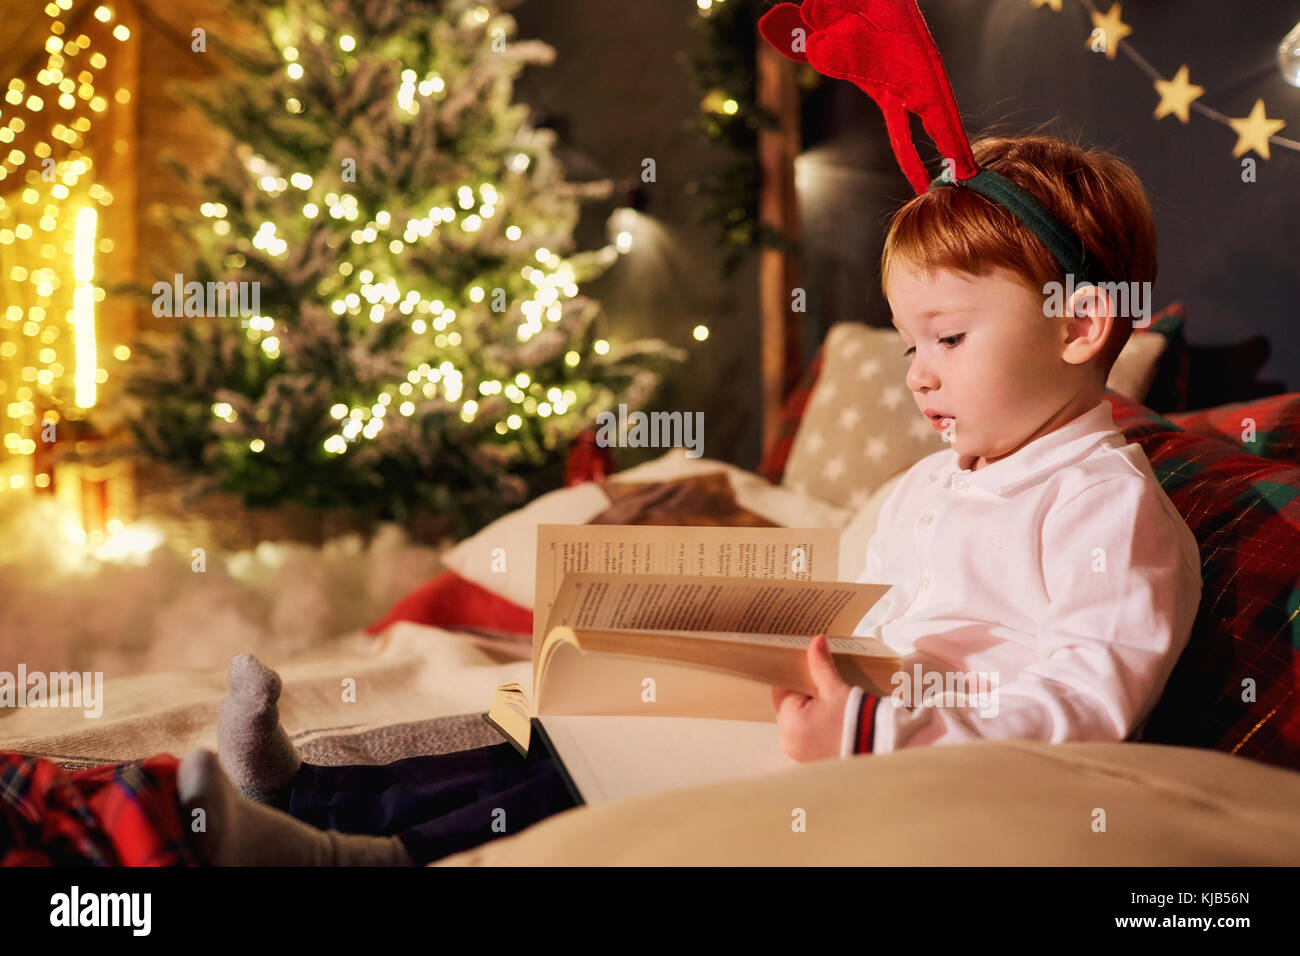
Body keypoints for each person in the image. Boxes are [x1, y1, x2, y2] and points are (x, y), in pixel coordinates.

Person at [176, 133, 1202, 866]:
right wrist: (705, 615)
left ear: (1077, 327)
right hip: (806, 702)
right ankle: (308, 792)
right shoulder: (931, 478)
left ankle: (346, 850)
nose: (917, 374)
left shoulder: (1103, 508)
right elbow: (844, 589)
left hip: (883, 750)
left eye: (948, 337)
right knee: (558, 722)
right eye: (904, 344)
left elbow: (1088, 700)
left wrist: (879, 732)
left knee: (564, 787)